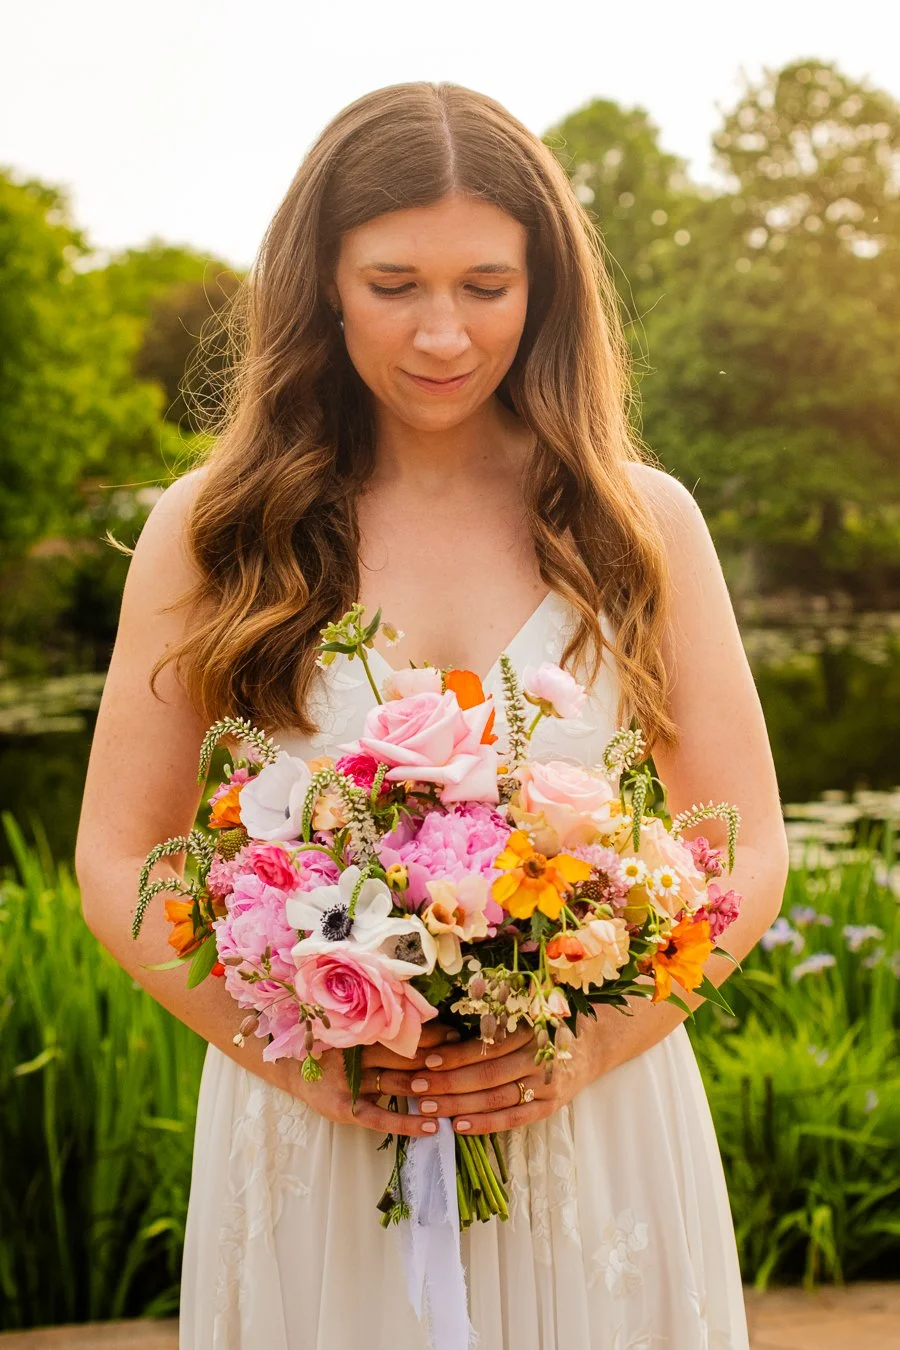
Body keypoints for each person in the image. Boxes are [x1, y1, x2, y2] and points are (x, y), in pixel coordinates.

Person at [76, 81, 789, 1349]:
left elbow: (743, 848)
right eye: (394, 282)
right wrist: (306, 1063)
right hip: (319, 1136)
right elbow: (116, 856)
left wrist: (589, 1043)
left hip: (593, 1130)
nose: (443, 333)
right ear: (324, 284)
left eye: (486, 286)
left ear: (545, 289)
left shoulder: (640, 521)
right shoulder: (213, 528)